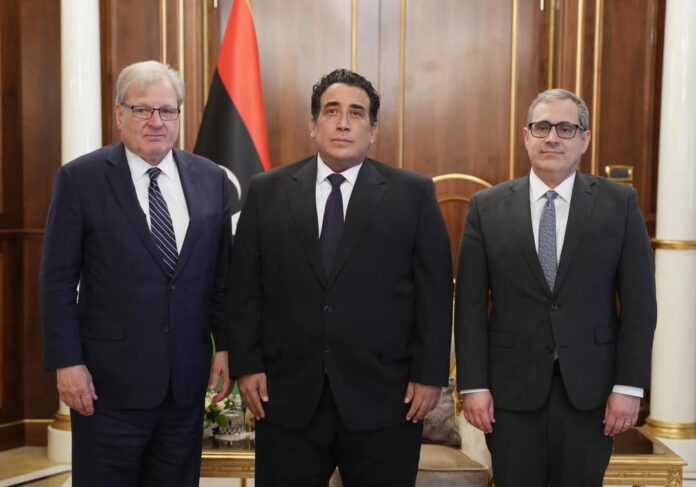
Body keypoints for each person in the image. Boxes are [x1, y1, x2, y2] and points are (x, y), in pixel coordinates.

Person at [228, 68, 453, 486]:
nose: (344, 123)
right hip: (287, 397)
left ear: (374, 130)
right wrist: (246, 364)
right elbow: (244, 288)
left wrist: (430, 375)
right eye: (332, 111)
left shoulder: (413, 194)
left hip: (386, 399)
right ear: (313, 125)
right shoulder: (267, 191)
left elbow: (435, 295)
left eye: (356, 113)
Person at [40, 60, 233, 486]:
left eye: (167, 110)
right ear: (119, 113)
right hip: (106, 388)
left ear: (179, 115)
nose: (156, 121)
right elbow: (57, 281)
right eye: (142, 109)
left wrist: (224, 346)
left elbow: (220, 277)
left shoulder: (210, 179)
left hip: (183, 388)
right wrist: (67, 363)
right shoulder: (80, 179)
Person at [454, 88, 657, 486]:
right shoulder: (486, 207)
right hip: (510, 394)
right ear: (526, 136)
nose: (552, 138)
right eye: (542, 127)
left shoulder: (619, 204)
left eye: (566, 128)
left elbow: (639, 305)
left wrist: (629, 386)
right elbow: (470, 308)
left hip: (593, 393)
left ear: (585, 139)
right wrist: (474, 386)